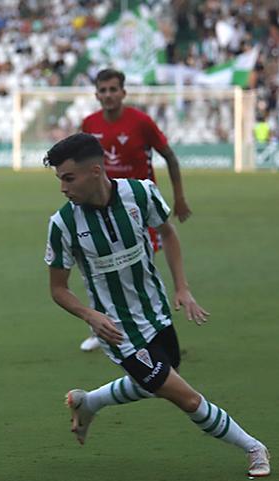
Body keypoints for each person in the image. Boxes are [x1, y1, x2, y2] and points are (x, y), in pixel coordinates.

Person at [43, 133, 270, 478]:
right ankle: (254, 448)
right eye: (60, 179)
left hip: (157, 312)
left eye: (68, 178)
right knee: (186, 397)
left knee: (158, 378)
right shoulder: (63, 224)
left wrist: (182, 287)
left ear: (95, 171)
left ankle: (88, 402)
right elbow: (58, 289)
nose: (63, 187)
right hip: (118, 331)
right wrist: (90, 315)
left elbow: (167, 233)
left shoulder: (141, 193)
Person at [77, 68, 192, 352]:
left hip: (138, 208)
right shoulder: (89, 123)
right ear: (96, 94)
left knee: (138, 269)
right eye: (102, 90)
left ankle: (153, 323)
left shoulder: (141, 122)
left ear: (123, 93)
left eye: (113, 89)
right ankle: (102, 327)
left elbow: (170, 158)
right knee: (99, 268)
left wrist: (179, 198)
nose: (108, 95)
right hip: (101, 205)